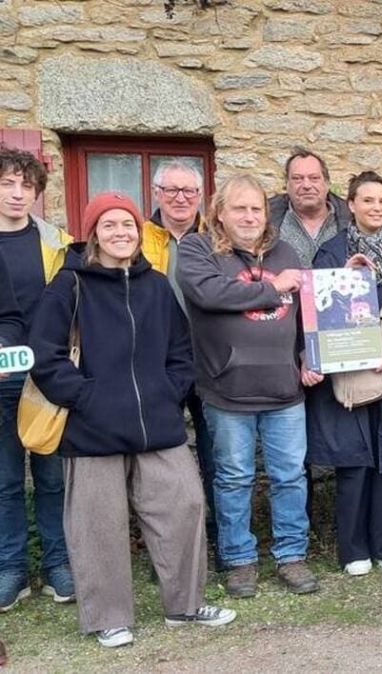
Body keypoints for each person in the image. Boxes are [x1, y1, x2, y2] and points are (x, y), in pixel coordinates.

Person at [29, 193, 235, 648]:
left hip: (157, 424)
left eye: (128, 225)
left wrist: (169, 392)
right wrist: (86, 397)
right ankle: (108, 617)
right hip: (92, 427)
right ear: (93, 233)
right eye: (109, 225)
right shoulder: (69, 285)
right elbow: (46, 357)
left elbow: (182, 352)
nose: (121, 233)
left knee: (184, 507)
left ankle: (185, 605)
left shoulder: (156, 285)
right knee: (96, 524)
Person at [178, 174, 318, 598]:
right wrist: (273, 286)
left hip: (283, 390)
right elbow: (209, 294)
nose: (250, 216)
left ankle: (291, 555)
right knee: (234, 478)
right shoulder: (198, 249)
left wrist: (308, 354)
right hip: (228, 389)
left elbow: (306, 309)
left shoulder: (285, 252)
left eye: (256, 208)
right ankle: (239, 559)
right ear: (220, 212)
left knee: (290, 476)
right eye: (240, 208)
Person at [304, 171, 382, 575]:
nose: (377, 208)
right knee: (353, 461)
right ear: (351, 205)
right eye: (368, 200)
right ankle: (353, 548)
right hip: (349, 372)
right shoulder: (331, 253)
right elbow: (321, 306)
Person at [0, 147, 73, 612]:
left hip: (46, 375)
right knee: (4, 481)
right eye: (7, 184)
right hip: (0, 378)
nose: (16, 193)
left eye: (26, 185)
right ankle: (10, 569)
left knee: (52, 478)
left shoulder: (56, 243)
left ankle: (58, 564)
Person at [141, 160, 220, 563]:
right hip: (157, 363)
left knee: (215, 455)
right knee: (165, 462)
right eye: (171, 190)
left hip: (210, 360)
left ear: (200, 196)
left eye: (189, 191)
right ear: (156, 193)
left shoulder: (216, 238)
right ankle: (171, 551)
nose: (180, 198)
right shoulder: (139, 237)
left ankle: (218, 541)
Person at [269, 147, 352, 267]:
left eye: (314, 178)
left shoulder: (350, 220)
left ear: (327, 184)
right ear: (287, 185)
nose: (306, 185)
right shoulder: (268, 220)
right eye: (297, 178)